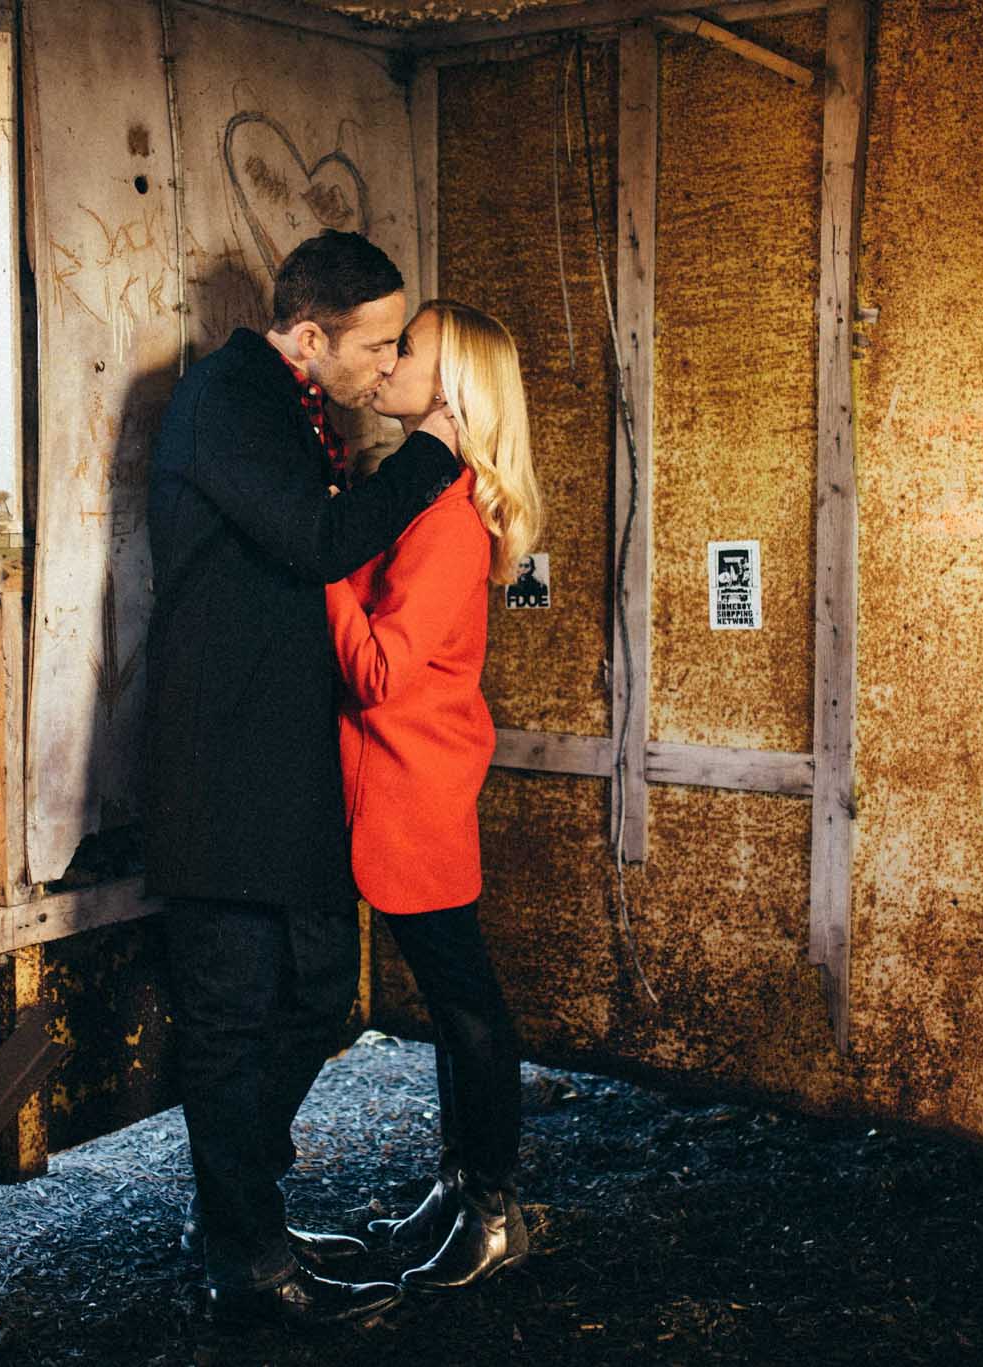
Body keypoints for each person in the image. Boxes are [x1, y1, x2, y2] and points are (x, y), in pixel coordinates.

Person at [141, 231, 462, 1330]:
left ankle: (241, 1207)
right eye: (374, 345)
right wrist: (432, 452)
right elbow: (319, 539)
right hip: (218, 767)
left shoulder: (291, 408)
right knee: (233, 1016)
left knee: (318, 990)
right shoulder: (230, 396)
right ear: (311, 335)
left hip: (282, 763)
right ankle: (243, 1256)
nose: (387, 366)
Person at [323, 299, 543, 1292]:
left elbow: (376, 669)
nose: (385, 360)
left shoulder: (446, 522)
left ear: (448, 385)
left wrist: (314, 563)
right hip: (405, 781)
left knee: (467, 1006)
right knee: (458, 1002)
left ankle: (492, 1210)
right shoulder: (418, 492)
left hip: (409, 789)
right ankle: (462, 1188)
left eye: (404, 347)